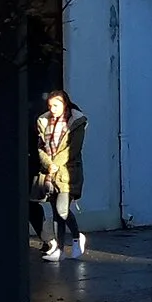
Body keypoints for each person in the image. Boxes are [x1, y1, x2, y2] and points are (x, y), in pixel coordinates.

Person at [35, 90, 88, 261]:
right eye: (50, 106)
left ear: (65, 104)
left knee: (62, 210)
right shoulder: (43, 122)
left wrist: (55, 164)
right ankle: (59, 249)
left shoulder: (76, 122)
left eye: (56, 105)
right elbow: (41, 147)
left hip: (68, 172)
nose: (52, 109)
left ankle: (77, 237)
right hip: (50, 175)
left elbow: (73, 149)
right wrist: (48, 164)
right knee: (56, 213)